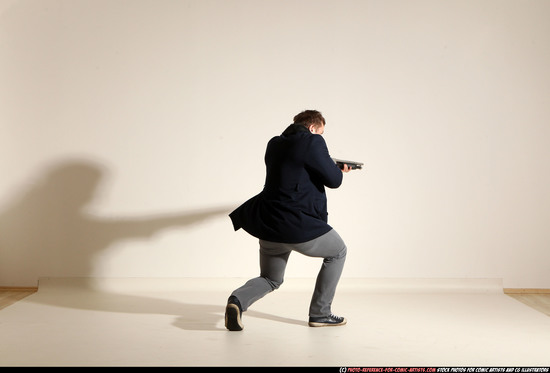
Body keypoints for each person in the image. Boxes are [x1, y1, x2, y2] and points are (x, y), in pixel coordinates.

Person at [225, 109, 351, 331]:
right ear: (313, 128)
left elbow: (295, 171)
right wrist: (337, 169)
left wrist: (327, 163)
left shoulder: (274, 143)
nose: (321, 136)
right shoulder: (313, 141)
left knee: (270, 278)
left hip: (268, 223)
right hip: (297, 224)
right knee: (338, 251)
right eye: (321, 131)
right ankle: (320, 314)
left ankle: (237, 301)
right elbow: (334, 180)